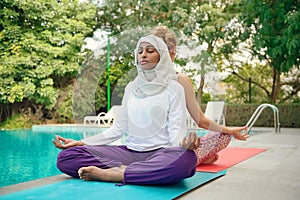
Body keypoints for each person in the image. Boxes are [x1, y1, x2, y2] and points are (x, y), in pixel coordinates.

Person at [53, 34, 199, 185]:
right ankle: (134, 171)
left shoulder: (174, 88)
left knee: (187, 160)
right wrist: (81, 142)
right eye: (140, 51)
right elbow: (118, 129)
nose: (143, 54)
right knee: (67, 157)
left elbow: (175, 129)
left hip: (162, 152)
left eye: (150, 51)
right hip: (130, 153)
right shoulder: (131, 87)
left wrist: (183, 144)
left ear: (161, 57)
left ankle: (117, 174)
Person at [151, 26, 250, 165]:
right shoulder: (180, 80)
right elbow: (201, 121)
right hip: (171, 153)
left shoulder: (140, 82)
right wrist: (230, 131)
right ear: (173, 53)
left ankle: (192, 157)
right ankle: (195, 158)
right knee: (223, 136)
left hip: (145, 150)